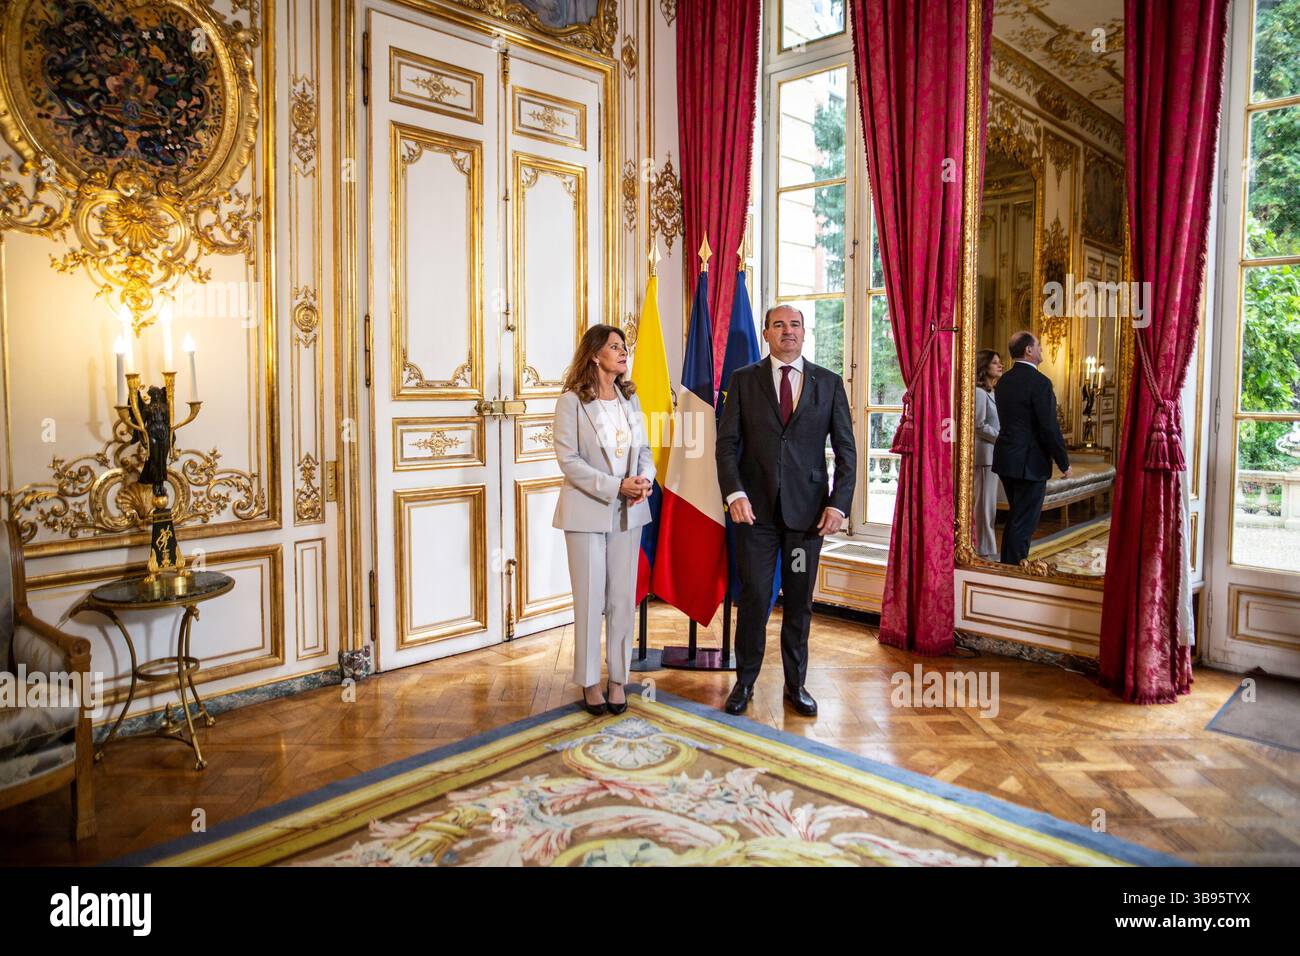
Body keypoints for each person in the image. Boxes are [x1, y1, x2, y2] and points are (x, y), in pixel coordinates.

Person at [715, 304, 857, 717]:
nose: (787, 331)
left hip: (805, 520)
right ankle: (744, 684)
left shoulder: (828, 384)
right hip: (755, 517)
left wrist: (839, 504)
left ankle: (796, 685)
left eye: (794, 324)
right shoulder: (743, 381)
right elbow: (725, 446)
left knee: (798, 601)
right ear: (766, 333)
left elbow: (846, 451)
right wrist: (733, 494)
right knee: (756, 599)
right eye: (779, 324)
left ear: (804, 333)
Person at [552, 324, 654, 716]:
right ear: (595, 355)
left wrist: (644, 481)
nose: (623, 351)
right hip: (586, 512)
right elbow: (569, 462)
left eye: (624, 346)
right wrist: (616, 486)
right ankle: (590, 682)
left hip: (630, 512)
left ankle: (618, 680)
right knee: (591, 599)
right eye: (614, 346)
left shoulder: (631, 398)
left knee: (621, 601)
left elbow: (643, 449)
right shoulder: (571, 402)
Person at [992, 331, 1071, 565]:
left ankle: (1007, 566)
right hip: (1029, 462)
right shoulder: (1040, 383)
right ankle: (1015, 570)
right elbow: (1049, 427)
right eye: (1038, 346)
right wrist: (1063, 462)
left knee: (1017, 517)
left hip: (1007, 459)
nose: (1041, 350)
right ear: (1028, 350)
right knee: (1024, 521)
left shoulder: (1003, 381)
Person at [973, 349, 1003, 560]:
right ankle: (985, 551)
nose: (1000, 366)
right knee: (984, 508)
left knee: (989, 507)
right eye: (995, 363)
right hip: (984, 457)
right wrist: (1001, 438)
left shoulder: (992, 392)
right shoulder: (979, 393)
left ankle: (987, 548)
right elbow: (978, 425)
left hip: (993, 456)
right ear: (984, 368)